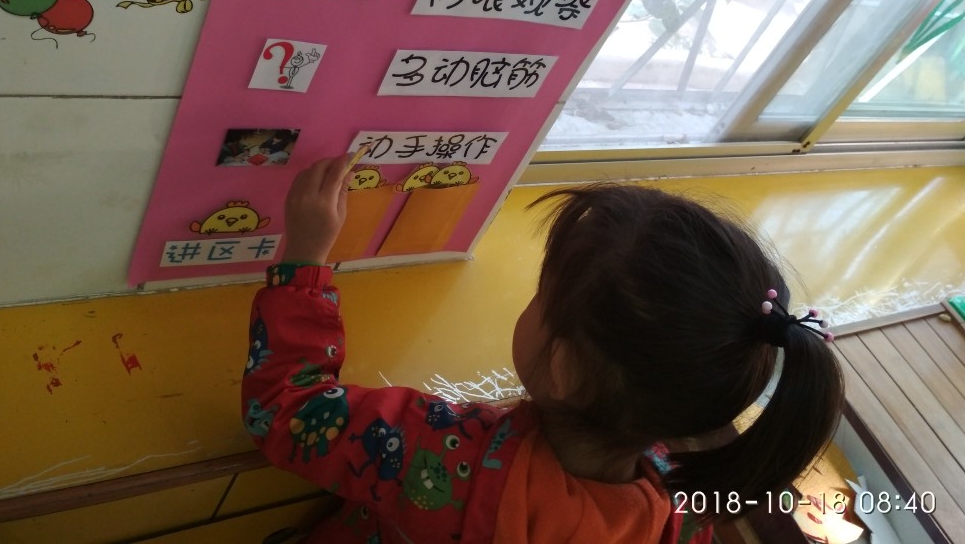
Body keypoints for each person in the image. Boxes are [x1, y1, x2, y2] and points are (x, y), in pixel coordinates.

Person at [241, 154, 845, 543]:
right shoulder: (681, 514)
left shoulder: (435, 453)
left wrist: (305, 261)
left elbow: (287, 409)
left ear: (563, 368)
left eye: (541, 296)